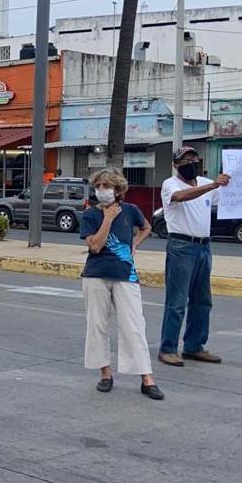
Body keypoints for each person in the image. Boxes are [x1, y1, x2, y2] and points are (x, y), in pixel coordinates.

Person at [79, 169, 163, 400]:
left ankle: (146, 377)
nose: (102, 190)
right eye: (99, 186)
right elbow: (95, 246)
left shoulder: (131, 211)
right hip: (96, 274)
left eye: (107, 186)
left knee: (134, 325)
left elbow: (147, 226)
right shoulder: (90, 215)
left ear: (118, 190)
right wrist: (107, 218)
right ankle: (105, 373)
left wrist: (135, 243)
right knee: (97, 325)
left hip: (126, 274)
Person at [157, 145, 231, 367]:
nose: (190, 163)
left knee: (202, 300)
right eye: (184, 160)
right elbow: (180, 197)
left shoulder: (208, 184)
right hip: (181, 246)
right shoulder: (170, 185)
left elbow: (227, 198)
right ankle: (168, 348)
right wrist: (214, 185)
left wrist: (227, 183)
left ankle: (194, 346)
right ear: (176, 165)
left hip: (203, 247)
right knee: (177, 301)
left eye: (193, 158)